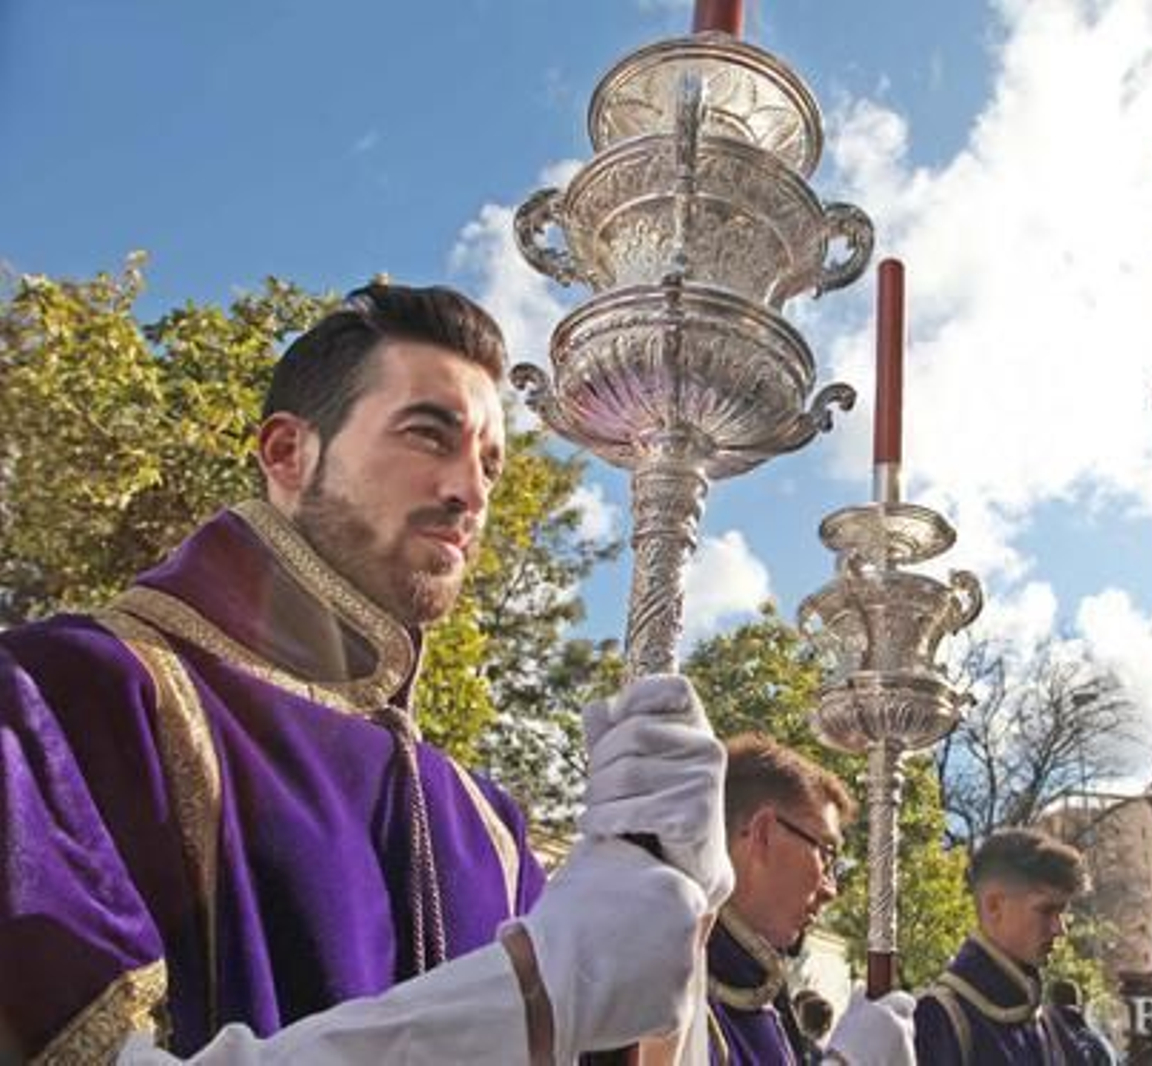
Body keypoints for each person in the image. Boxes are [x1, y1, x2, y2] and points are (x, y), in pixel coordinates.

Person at [0, 283, 732, 1063]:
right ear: (287, 453)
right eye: (428, 434)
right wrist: (535, 994)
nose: (472, 494)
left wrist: (674, 913)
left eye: (490, 464)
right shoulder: (63, 695)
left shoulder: (488, 825)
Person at [708, 734, 914, 1065]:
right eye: (827, 854)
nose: (831, 889)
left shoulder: (760, 996)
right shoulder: (669, 988)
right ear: (763, 833)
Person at [915, 827, 1099, 1064]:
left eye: (1063, 913)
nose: (1060, 929)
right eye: (1046, 910)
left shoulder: (1052, 1027)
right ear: (994, 906)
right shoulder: (937, 1021)